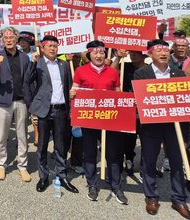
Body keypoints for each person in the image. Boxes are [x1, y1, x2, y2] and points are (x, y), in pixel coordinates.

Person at [134, 39, 189, 217]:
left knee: (176, 162)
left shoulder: (179, 74)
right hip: (151, 125)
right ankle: (151, 196)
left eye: (166, 50)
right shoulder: (141, 73)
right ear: (150, 53)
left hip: (174, 126)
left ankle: (179, 199)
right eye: (159, 50)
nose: (164, 53)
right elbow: (139, 98)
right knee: (149, 161)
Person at [71, 40, 126, 205]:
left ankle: (116, 186)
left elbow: (118, 93)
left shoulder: (113, 72)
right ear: (89, 54)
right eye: (95, 53)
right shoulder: (80, 71)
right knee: (89, 153)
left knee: (113, 154)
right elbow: (75, 90)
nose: (99, 55)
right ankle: (92, 184)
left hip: (109, 119)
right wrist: (72, 93)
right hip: (89, 119)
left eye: (102, 52)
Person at [29, 35, 78, 193]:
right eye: (49, 46)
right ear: (42, 48)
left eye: (55, 46)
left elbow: (69, 85)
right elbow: (28, 80)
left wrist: (71, 106)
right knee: (42, 145)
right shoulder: (38, 63)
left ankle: (61, 175)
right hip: (44, 109)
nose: (52, 48)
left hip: (61, 110)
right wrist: (33, 63)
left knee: (60, 145)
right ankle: (43, 176)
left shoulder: (64, 64)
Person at [0, 27, 33, 182]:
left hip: (21, 100)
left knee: (22, 135)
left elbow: (29, 78)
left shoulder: (24, 58)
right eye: (5, 37)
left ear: (16, 39)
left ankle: (22, 166)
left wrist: (35, 62)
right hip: (3, 101)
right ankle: (1, 164)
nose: (8, 40)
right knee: (2, 135)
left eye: (11, 37)